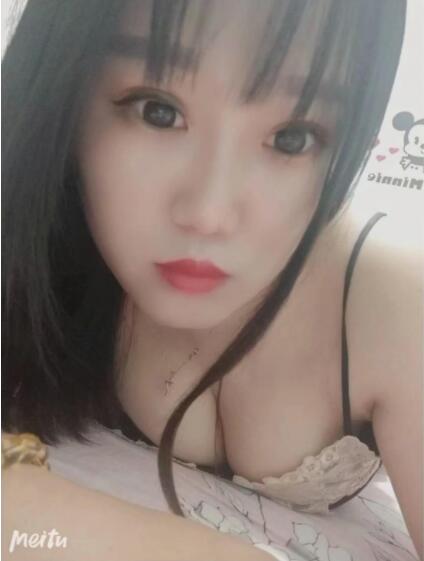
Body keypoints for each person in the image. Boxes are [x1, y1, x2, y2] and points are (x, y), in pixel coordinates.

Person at [2, 0, 422, 559]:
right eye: (157, 111)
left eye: (292, 138)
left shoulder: (394, 300)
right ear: (64, 96)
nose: (209, 214)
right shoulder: (34, 232)